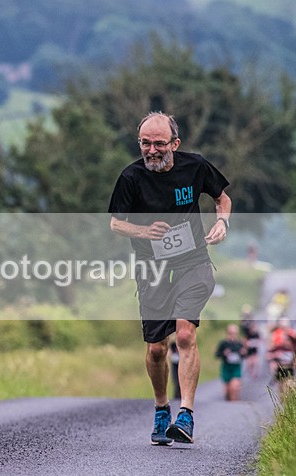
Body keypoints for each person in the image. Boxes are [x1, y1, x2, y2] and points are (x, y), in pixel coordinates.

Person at [109, 111, 231, 445]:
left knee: (185, 335)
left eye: (159, 143)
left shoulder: (195, 167)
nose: (151, 150)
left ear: (174, 144)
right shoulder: (131, 177)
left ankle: (186, 415)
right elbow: (116, 223)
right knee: (156, 350)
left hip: (193, 263)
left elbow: (222, 197)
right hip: (152, 270)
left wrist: (222, 223)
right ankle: (162, 407)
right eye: (145, 143)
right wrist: (144, 231)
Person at [268, 317, 296, 398]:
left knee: (289, 384)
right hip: (280, 362)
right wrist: (275, 356)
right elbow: (271, 346)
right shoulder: (276, 333)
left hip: (289, 364)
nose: (284, 327)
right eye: (283, 325)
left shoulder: (292, 333)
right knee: (281, 386)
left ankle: (287, 401)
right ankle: (283, 402)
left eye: (285, 325)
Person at [215, 324, 245, 401]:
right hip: (226, 367)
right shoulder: (224, 343)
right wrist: (224, 354)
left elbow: (245, 355)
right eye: (231, 333)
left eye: (235, 333)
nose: (233, 335)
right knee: (227, 391)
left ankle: (234, 403)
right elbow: (217, 355)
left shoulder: (239, 344)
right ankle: (229, 402)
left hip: (236, 367)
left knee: (235, 387)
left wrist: (243, 353)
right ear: (227, 333)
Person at [239, 305, 261, 378]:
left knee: (255, 360)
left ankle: (254, 373)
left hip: (253, 345)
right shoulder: (243, 324)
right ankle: (250, 371)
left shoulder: (252, 323)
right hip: (248, 341)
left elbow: (259, 337)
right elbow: (243, 336)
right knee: (249, 361)